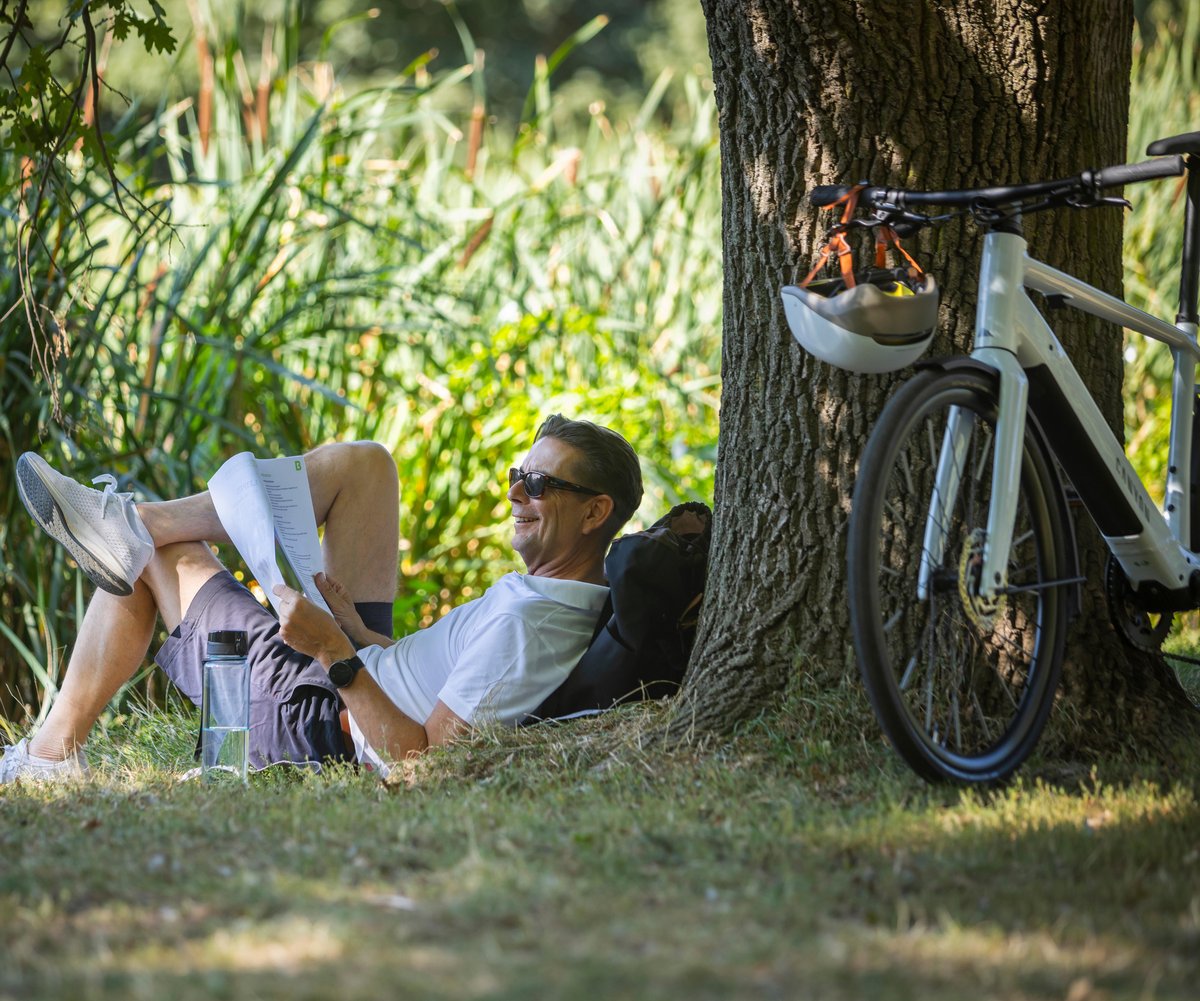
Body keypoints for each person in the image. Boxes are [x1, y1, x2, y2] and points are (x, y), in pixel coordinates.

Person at [0, 415, 643, 782]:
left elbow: (422, 767)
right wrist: (359, 637)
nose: (515, 496)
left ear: (595, 513)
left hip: (320, 722)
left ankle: (49, 755)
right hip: (356, 672)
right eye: (515, 478)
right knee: (367, 466)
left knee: (164, 559)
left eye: (537, 484)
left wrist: (334, 651)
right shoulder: (553, 594)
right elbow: (445, 686)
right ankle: (135, 524)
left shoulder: (531, 624)